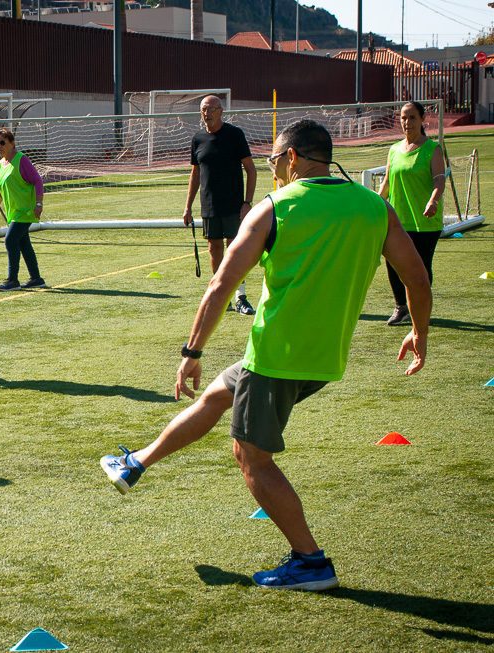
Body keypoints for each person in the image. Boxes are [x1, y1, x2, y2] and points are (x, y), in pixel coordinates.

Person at [100, 120, 432, 591]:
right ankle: (137, 463)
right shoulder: (374, 206)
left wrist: (191, 351)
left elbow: (221, 285)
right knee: (217, 394)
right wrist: (420, 334)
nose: (272, 167)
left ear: (293, 158)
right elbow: (417, 280)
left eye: (275, 158)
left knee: (251, 458)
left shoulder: (275, 208)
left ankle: (311, 561)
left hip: (276, 356)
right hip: (323, 358)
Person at [182, 95, 258, 315]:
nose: (207, 113)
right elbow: (195, 173)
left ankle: (240, 296)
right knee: (214, 249)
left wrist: (247, 202)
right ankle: (221, 295)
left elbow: (251, 169)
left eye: (211, 109)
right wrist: (188, 206)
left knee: (234, 249)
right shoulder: (197, 139)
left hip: (234, 204)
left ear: (221, 111)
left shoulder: (235, 135)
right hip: (209, 204)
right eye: (203, 109)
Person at [377, 101, 446, 326]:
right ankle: (401, 308)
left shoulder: (432, 149)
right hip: (398, 220)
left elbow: (439, 180)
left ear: (422, 119)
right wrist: (376, 205)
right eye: (404, 118)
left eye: (412, 117)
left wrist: (433, 200)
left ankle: (420, 308)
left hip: (425, 222)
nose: (407, 122)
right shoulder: (394, 150)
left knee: (421, 268)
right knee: (393, 263)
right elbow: (387, 182)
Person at [0, 128, 46, 291]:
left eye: (2, 142)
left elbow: (38, 181)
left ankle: (12, 280)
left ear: (12, 143)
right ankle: (36, 278)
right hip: (13, 213)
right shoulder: (0, 165)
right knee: (24, 244)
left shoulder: (21, 160)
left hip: (25, 211)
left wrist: (39, 204)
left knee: (10, 240)